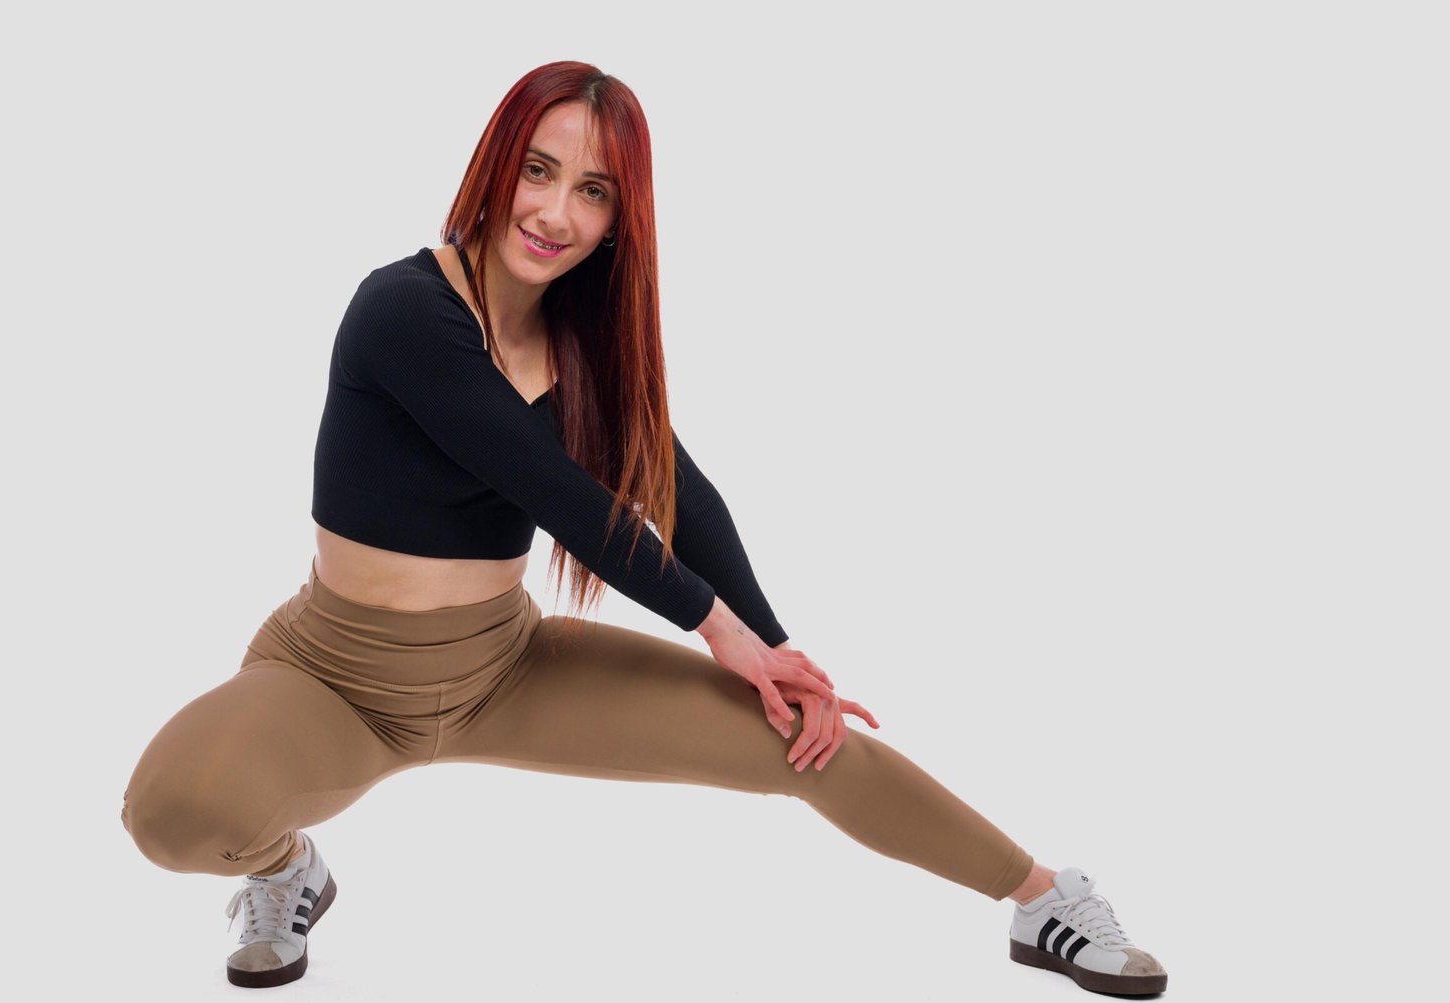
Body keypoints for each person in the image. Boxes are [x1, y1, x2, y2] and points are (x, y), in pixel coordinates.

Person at [118, 61, 1168, 996]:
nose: (554, 212)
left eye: (593, 191)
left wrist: (778, 654)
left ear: (621, 218)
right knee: (171, 811)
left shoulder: (582, 351)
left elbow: (677, 494)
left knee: (805, 741)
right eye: (537, 171)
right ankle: (285, 870)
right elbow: (554, 491)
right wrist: (717, 629)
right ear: (494, 165)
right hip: (337, 676)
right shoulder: (402, 312)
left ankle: (1045, 897)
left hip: (506, 668)